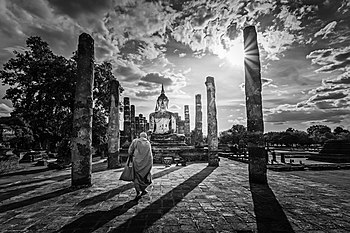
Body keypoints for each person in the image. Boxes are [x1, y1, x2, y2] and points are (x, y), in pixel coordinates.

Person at [128, 132, 153, 200]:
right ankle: (143, 189)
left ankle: (138, 191)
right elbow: (150, 155)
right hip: (146, 164)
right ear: (146, 136)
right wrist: (150, 164)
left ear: (140, 136)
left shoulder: (135, 141)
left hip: (136, 162)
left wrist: (131, 157)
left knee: (136, 177)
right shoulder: (148, 143)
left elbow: (130, 151)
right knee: (145, 177)